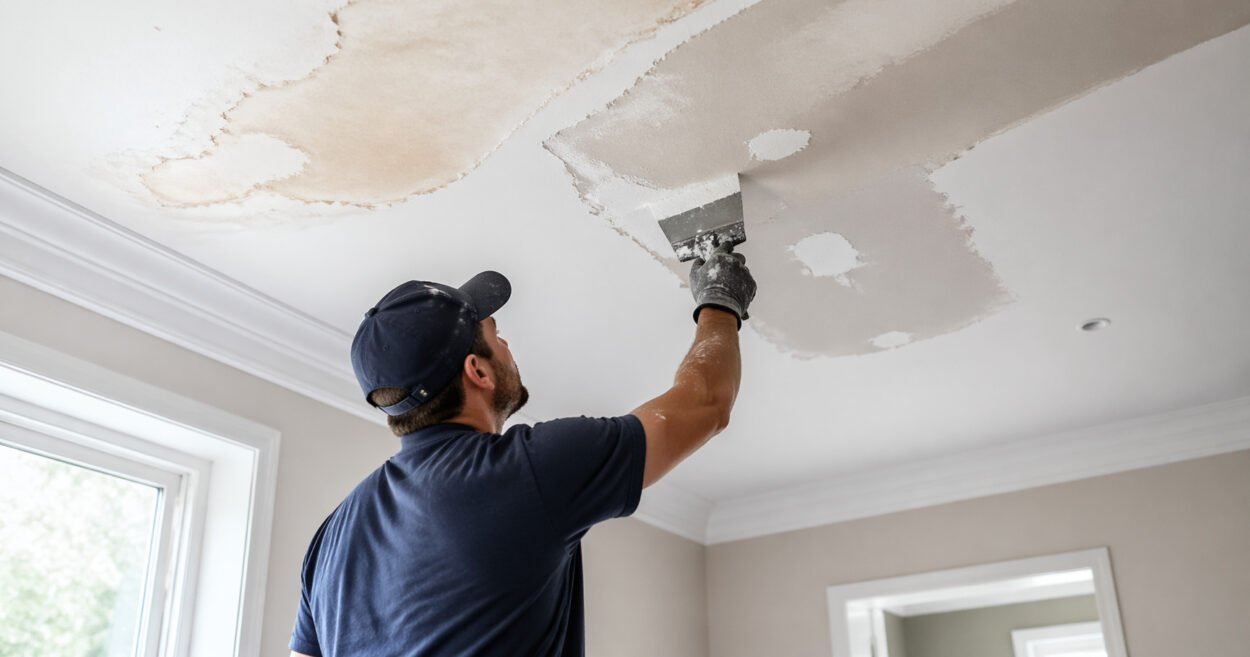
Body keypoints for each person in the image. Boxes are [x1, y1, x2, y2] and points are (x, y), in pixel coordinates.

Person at [290, 244, 756, 657]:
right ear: (478, 371)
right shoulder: (527, 470)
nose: (507, 344)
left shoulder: (330, 538)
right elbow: (705, 403)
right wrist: (720, 299)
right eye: (495, 334)